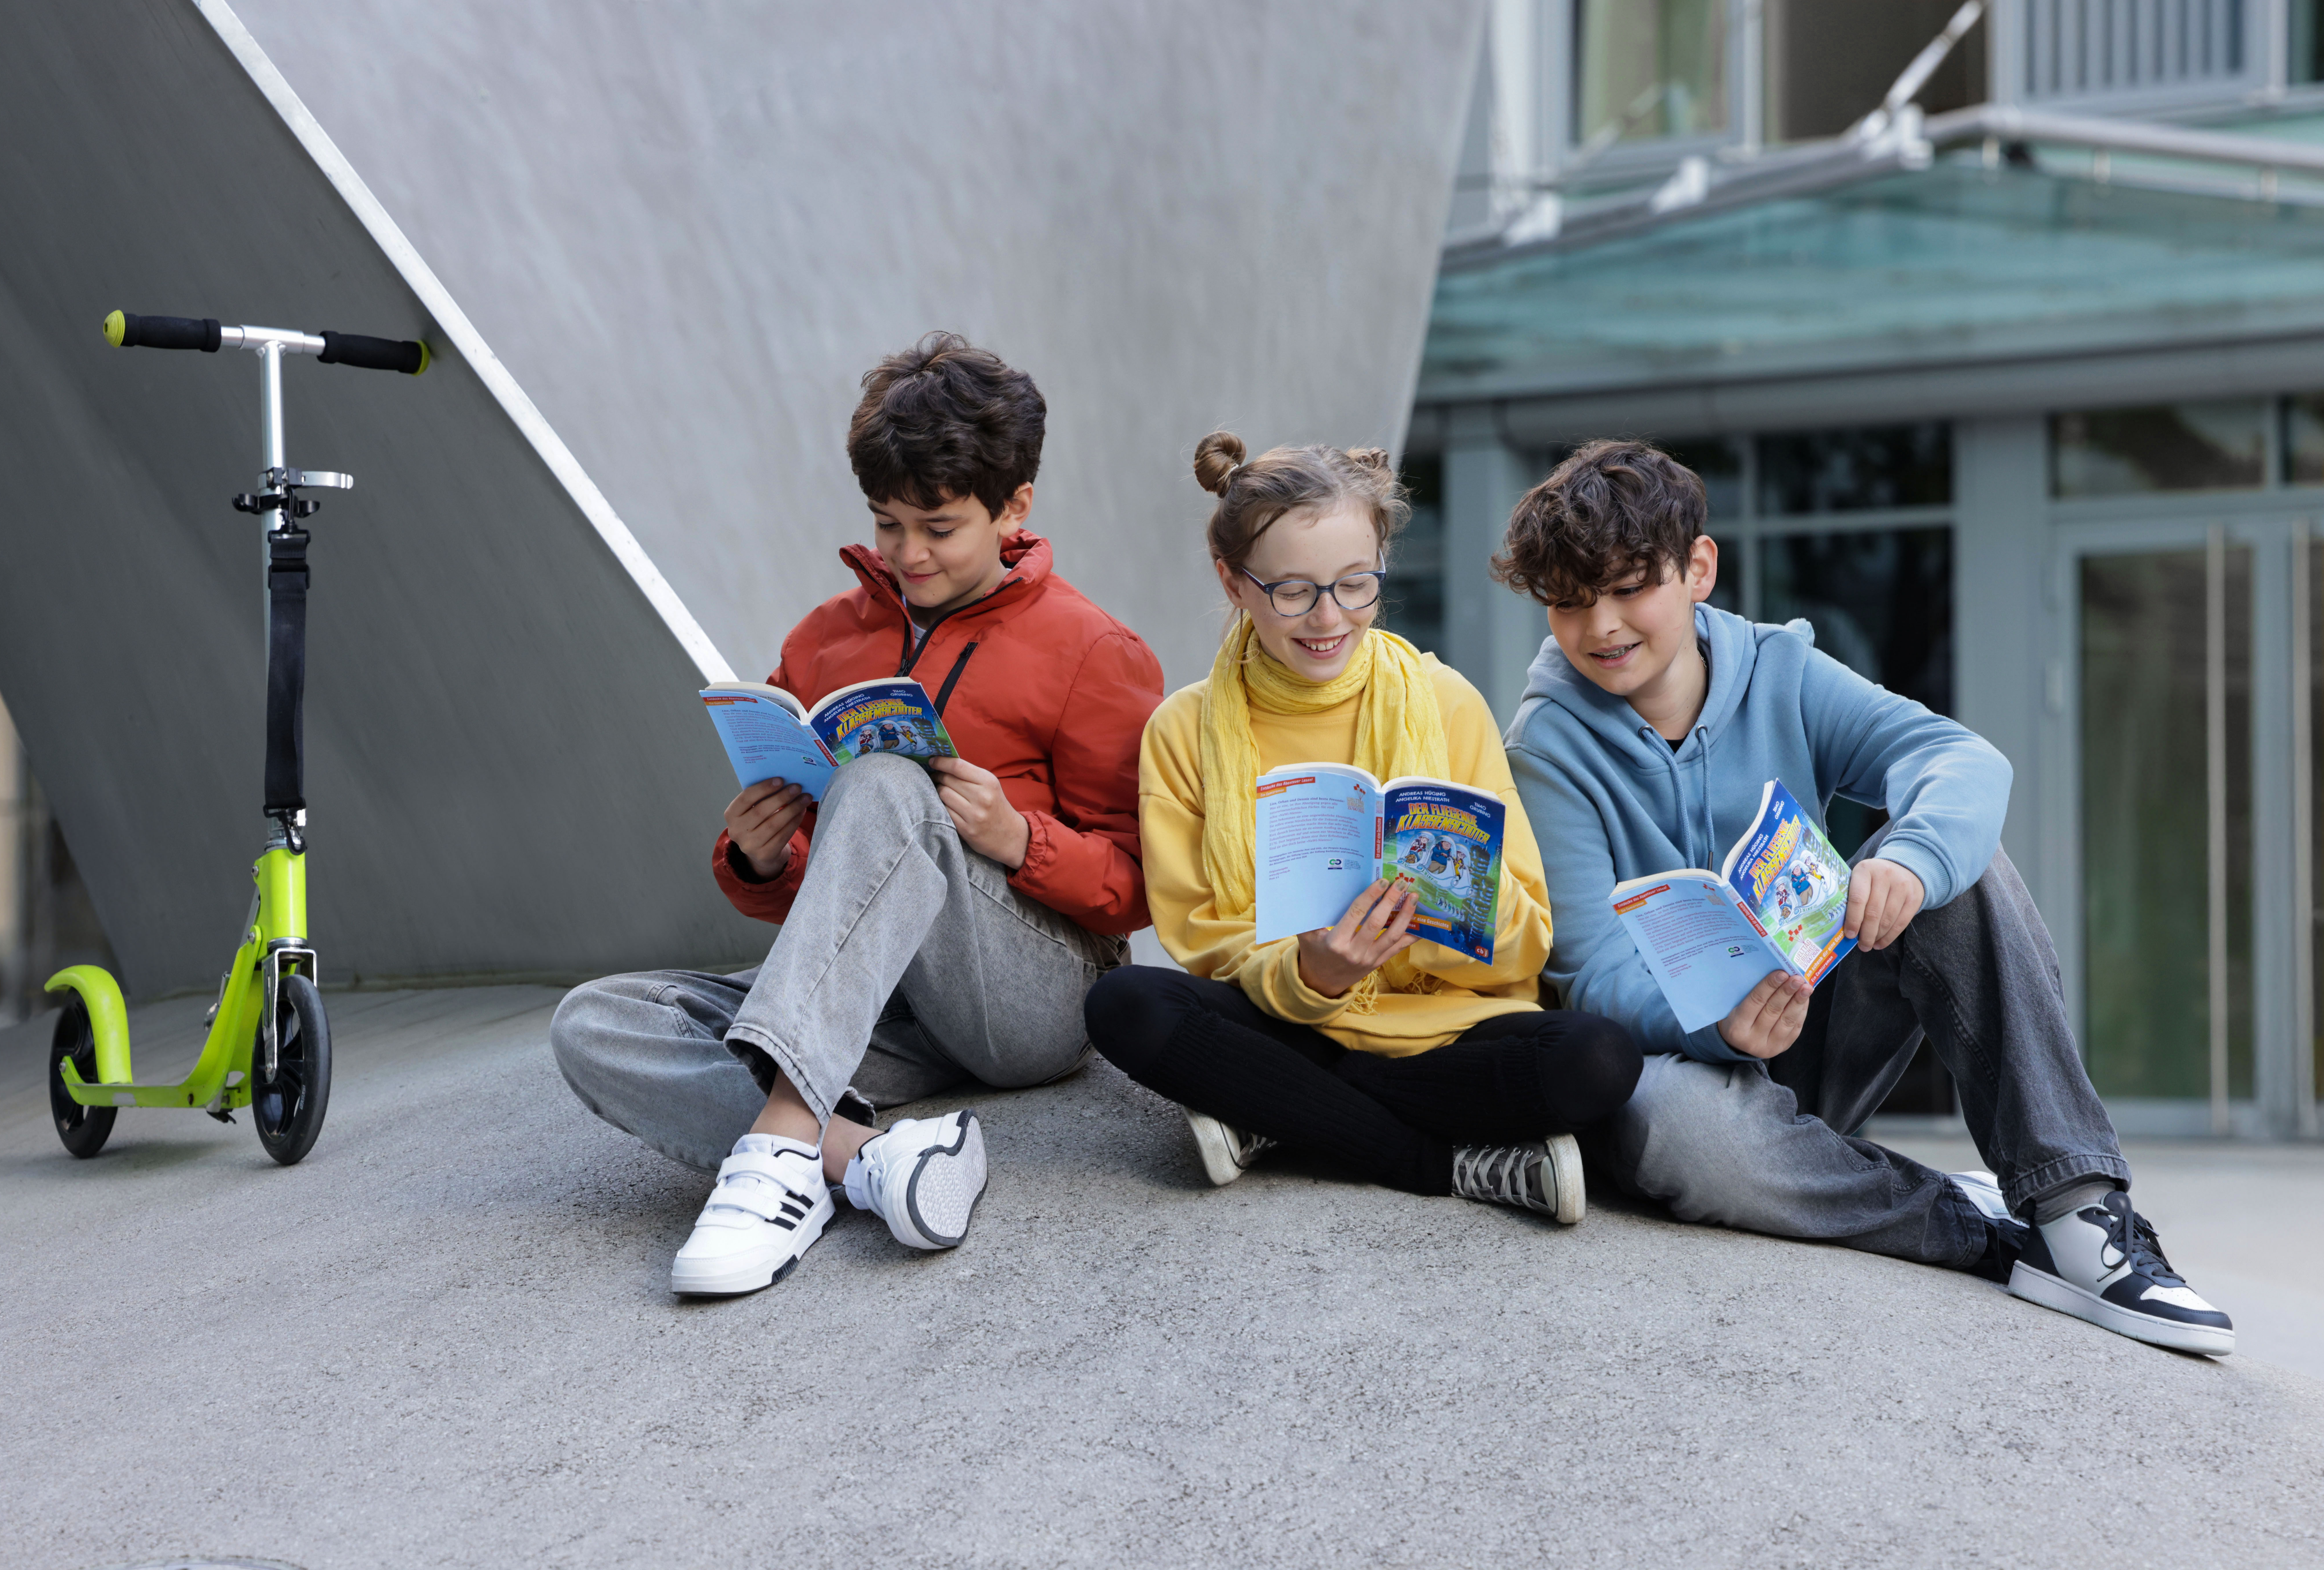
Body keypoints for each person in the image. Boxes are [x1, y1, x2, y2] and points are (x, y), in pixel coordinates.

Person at [1495, 438, 2234, 1354]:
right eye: (1570, 602)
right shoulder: (1546, 746)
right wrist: (1717, 1023)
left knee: (1957, 870)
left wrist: (1911, 863)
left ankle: (2077, 1209)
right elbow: (1592, 973)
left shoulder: (1783, 673)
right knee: (1669, 1132)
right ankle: (1980, 1229)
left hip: (1818, 1029)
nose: (1601, 626)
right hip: (1697, 1081)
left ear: (1698, 570)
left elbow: (1960, 759)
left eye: (1626, 587)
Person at [550, 333, 1163, 1297]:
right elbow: (818, 889)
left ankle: (784, 1156)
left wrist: (1017, 839)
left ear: (1015, 509)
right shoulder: (825, 639)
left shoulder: (1093, 651)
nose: (908, 553)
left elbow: (1138, 891)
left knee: (885, 782)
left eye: (939, 527)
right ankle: (871, 1163)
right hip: (878, 1003)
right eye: (887, 525)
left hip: (1028, 1000)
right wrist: (758, 860)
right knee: (598, 1023)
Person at [1083, 435, 1640, 1218]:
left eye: (1355, 586)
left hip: (1440, 1023)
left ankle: (1279, 1116)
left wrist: (1452, 910)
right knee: (1126, 1006)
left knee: (1599, 1060)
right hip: (1283, 1019)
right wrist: (1314, 975)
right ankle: (1440, 1163)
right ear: (1233, 583)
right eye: (1293, 592)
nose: (1328, 618)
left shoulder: (1445, 701)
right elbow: (1202, 936)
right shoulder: (1183, 730)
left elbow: (1529, 943)